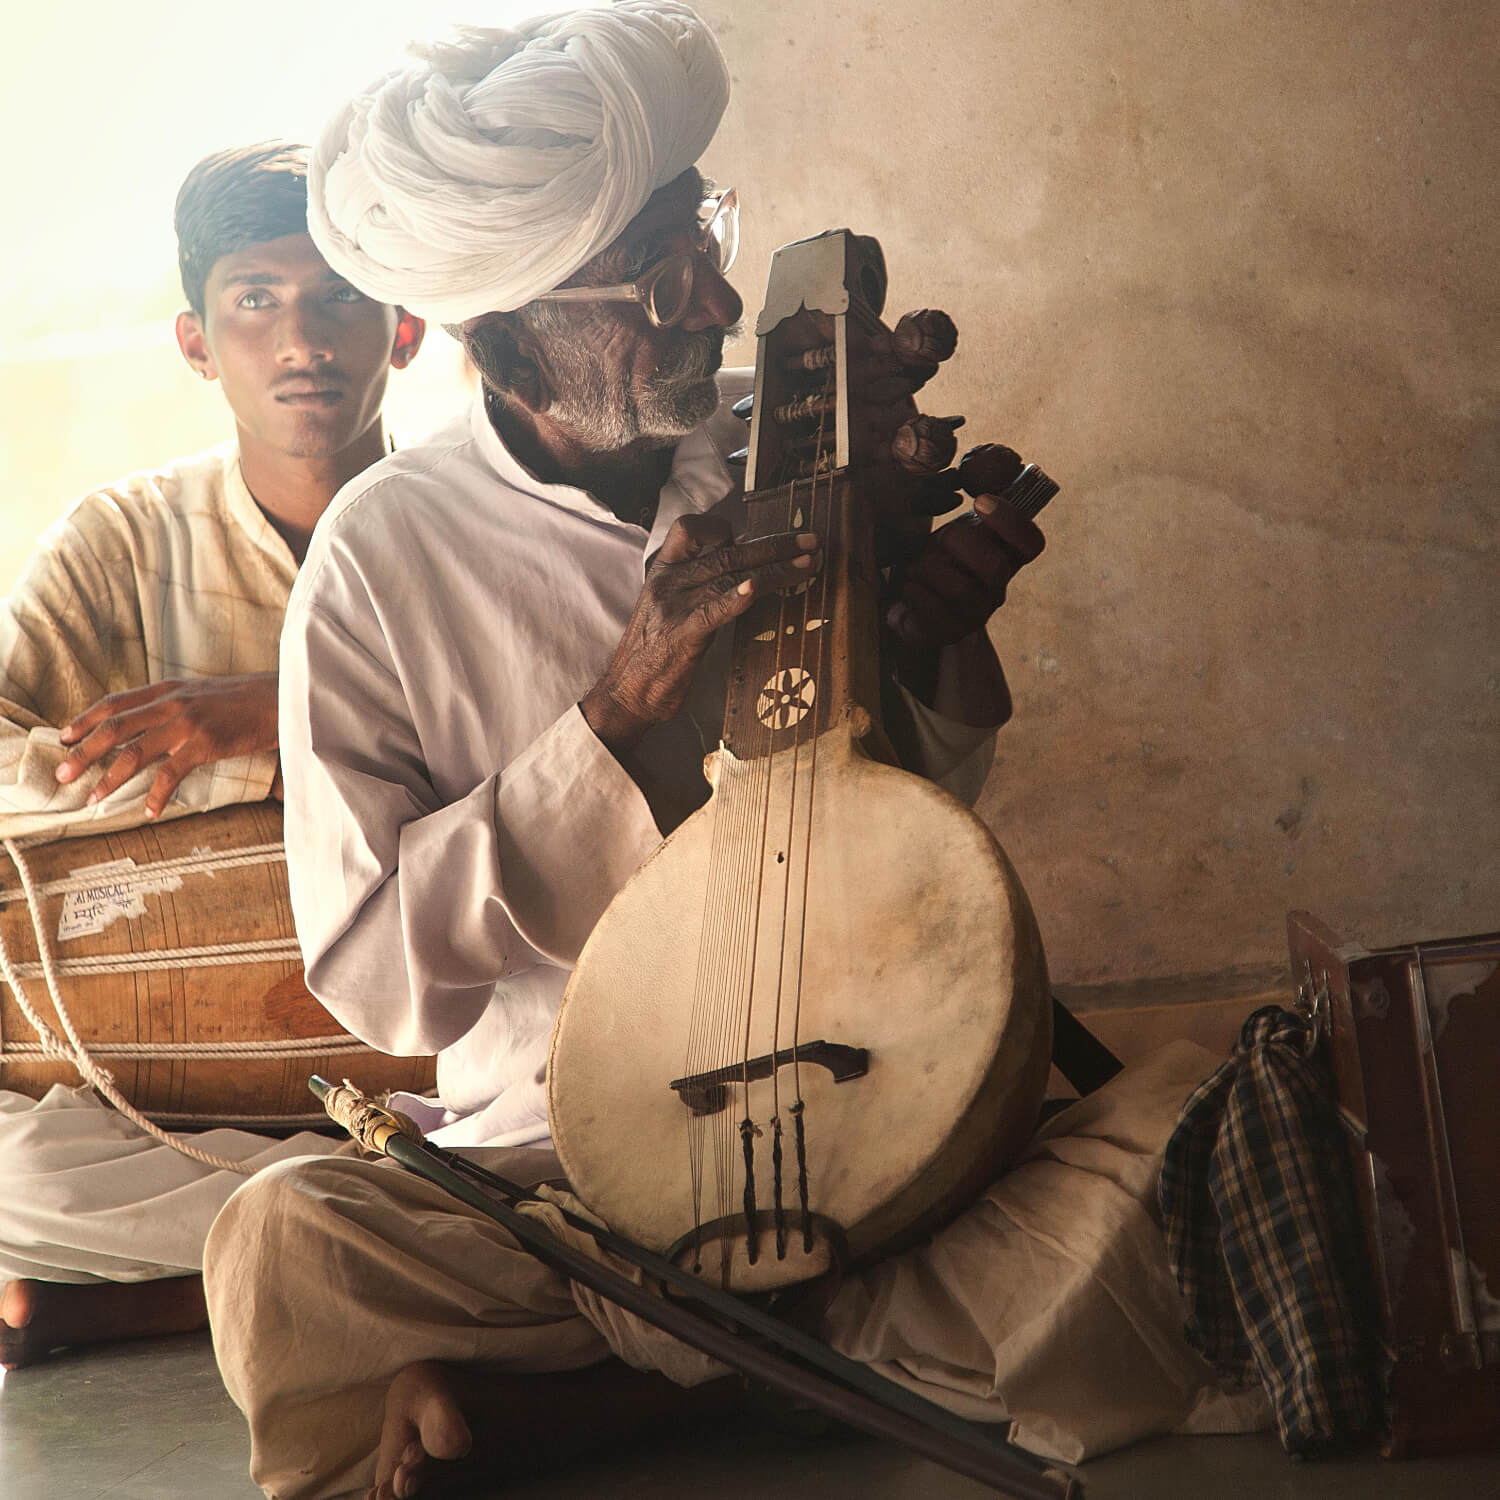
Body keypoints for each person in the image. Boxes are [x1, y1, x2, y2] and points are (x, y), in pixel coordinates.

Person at [204, 9, 1268, 1499]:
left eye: (701, 231)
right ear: (506, 339)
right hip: (557, 1171)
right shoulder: (383, 558)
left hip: (876, 1109)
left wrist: (932, 633)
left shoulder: (783, 449)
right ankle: (813, 1355)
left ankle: (613, 1397)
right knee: (283, 1242)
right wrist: (618, 713)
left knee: (1197, 1130)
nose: (709, 294)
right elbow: (378, 973)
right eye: (655, 274)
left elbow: (916, 805)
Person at [0, 141, 426, 1371]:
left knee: (602, 1120)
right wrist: (238, 773)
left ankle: (180, 1293)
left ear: (403, 330)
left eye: (342, 293)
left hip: (449, 1060)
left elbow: (539, 762)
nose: (305, 339)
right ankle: (372, 1227)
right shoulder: (121, 540)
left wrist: (278, 715)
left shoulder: (467, 518)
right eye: (257, 302)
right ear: (198, 342)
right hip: (173, 1097)